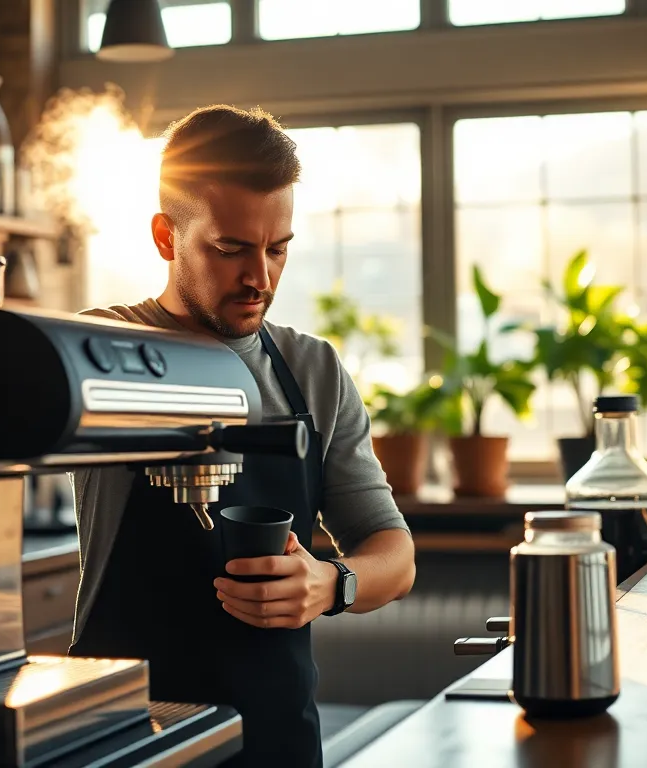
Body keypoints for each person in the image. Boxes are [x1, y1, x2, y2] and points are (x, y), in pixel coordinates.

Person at [67, 105, 417, 767]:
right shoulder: (102, 349)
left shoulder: (313, 370)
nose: (259, 277)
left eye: (277, 248)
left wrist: (330, 582)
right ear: (166, 237)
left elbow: (394, 555)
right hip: (124, 734)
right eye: (230, 249)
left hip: (274, 737)